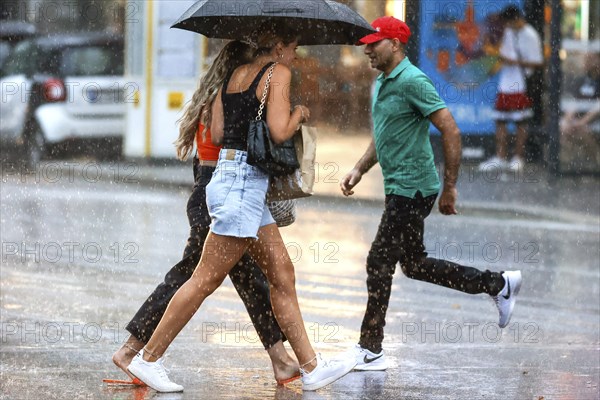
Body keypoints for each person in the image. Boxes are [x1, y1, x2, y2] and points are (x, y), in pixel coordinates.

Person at [126, 24, 356, 392]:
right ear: (278, 46)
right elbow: (280, 132)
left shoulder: (234, 74)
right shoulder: (278, 73)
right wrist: (299, 114)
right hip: (243, 185)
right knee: (204, 278)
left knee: (282, 274)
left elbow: (218, 134)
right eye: (293, 48)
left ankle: (311, 367)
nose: (295, 56)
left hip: (231, 177)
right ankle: (148, 358)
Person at [110, 41, 300, 386]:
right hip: (218, 191)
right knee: (192, 276)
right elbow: (223, 140)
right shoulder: (229, 96)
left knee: (251, 281)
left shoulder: (218, 92)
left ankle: (282, 360)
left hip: (210, 188)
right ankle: (133, 351)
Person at [339, 16, 523, 371]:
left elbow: (451, 131)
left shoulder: (413, 81)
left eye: (374, 43)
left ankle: (370, 346)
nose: (367, 50)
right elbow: (385, 134)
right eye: (366, 44)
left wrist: (450, 186)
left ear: (394, 44)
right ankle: (498, 284)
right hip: (400, 187)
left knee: (379, 261)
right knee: (413, 265)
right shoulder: (383, 82)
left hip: (413, 188)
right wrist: (360, 168)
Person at [478, 5, 543, 172]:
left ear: (516, 19)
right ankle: (500, 156)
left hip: (521, 83)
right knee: (501, 120)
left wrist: (516, 63)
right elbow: (499, 52)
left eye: (508, 22)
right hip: (505, 82)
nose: (506, 25)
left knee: (521, 121)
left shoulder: (530, 35)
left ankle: (518, 157)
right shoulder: (506, 32)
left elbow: (538, 62)